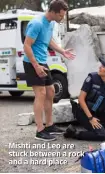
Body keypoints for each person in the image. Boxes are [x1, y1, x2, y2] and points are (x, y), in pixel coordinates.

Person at [23, 0, 75, 141]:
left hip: (42, 61)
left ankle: (49, 124)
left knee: (51, 91)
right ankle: (40, 130)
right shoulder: (37, 23)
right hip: (32, 62)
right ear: (53, 12)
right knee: (41, 93)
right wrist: (36, 65)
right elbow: (27, 46)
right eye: (61, 15)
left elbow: (49, 40)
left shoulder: (51, 23)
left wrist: (62, 51)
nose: (62, 18)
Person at [64, 58, 105, 141]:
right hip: (83, 111)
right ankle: (74, 133)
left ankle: (100, 126)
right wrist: (91, 118)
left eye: (103, 66)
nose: (100, 67)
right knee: (102, 136)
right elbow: (81, 99)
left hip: (96, 110)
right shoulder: (92, 78)